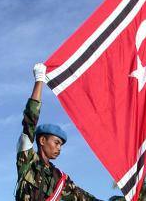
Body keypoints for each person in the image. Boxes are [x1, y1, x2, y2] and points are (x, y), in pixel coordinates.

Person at [15, 63, 100, 201]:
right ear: (42, 141)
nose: (59, 148)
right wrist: (39, 80)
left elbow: (85, 198)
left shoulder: (59, 178)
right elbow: (30, 121)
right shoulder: (27, 160)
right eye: (56, 142)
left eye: (61, 144)